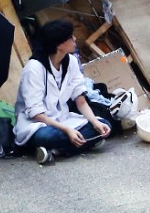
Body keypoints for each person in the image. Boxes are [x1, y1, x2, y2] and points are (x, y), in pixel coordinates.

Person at [14, 20, 112, 165]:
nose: (75, 39)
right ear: (59, 45)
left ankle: (55, 152)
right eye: (70, 37)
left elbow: (81, 101)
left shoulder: (71, 62)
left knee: (105, 124)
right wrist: (67, 130)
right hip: (38, 125)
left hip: (63, 119)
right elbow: (36, 114)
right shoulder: (33, 68)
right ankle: (80, 144)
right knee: (49, 136)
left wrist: (95, 122)